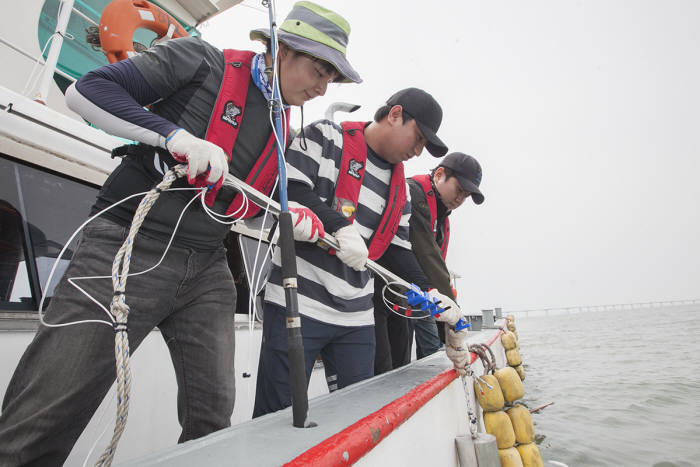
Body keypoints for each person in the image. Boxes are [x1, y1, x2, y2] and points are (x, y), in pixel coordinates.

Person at [0, 2, 360, 464]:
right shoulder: (201, 60)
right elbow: (87, 93)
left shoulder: (280, 122)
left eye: (333, 78)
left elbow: (245, 203)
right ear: (282, 48)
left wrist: (292, 214)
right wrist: (173, 136)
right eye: (320, 68)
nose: (323, 86)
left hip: (208, 265)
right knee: (46, 414)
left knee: (213, 415)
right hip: (129, 244)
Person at [253, 87, 469, 417]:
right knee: (277, 415)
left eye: (425, 146)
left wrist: (433, 293)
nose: (418, 150)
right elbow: (291, 188)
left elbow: (398, 250)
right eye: (418, 138)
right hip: (298, 301)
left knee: (357, 416)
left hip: (356, 315)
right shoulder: (325, 137)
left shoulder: (402, 193)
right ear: (395, 115)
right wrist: (338, 225)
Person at [374, 152, 485, 375]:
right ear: (440, 175)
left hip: (403, 298)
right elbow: (428, 258)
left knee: (400, 366)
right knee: (383, 370)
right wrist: (454, 327)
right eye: (459, 190)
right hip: (378, 293)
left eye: (466, 196)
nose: (460, 199)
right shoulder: (414, 195)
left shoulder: (442, 214)